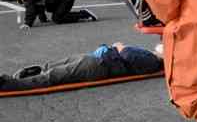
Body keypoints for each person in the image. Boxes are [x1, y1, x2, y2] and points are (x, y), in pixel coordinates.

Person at [0, 42, 162, 91]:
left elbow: (127, 55)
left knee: (53, 75)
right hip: (95, 58)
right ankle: (25, 75)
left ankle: (9, 84)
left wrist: (120, 46)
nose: (160, 45)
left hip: (99, 65)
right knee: (51, 66)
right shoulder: (151, 55)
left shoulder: (153, 61)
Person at [18, 0, 97, 31]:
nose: (25, 4)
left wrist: (27, 23)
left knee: (58, 18)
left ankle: (84, 14)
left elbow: (31, 8)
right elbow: (38, 5)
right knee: (57, 16)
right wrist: (43, 19)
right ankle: (82, 14)